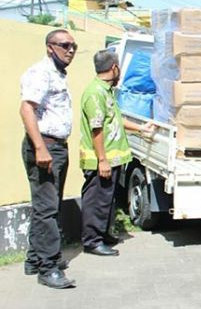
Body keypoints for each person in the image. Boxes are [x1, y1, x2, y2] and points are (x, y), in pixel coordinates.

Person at [19, 29, 77, 289]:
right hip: (45, 147)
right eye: (64, 45)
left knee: (46, 206)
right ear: (49, 47)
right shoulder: (41, 73)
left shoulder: (57, 75)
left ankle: (34, 259)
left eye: (73, 46)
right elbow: (26, 109)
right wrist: (41, 148)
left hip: (55, 147)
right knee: (47, 210)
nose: (70, 50)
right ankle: (48, 267)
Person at [79, 50, 152, 256]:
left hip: (112, 158)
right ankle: (92, 241)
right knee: (96, 201)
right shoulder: (95, 93)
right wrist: (102, 160)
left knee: (106, 200)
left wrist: (141, 129)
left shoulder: (107, 91)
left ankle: (103, 234)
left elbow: (116, 120)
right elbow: (97, 128)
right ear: (114, 68)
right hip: (101, 161)